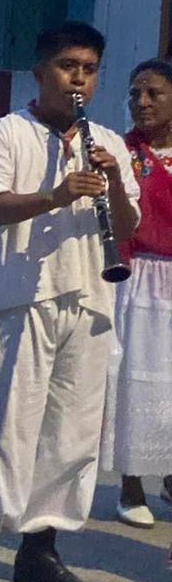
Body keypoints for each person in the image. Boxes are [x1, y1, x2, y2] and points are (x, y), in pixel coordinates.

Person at [0, 22, 139, 582]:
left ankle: (40, 549)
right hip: (22, 299)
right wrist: (56, 196)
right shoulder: (6, 133)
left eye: (89, 69)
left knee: (70, 435)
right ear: (40, 72)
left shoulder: (109, 143)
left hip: (89, 299)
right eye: (67, 66)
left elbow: (127, 226)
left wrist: (113, 182)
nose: (78, 79)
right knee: (3, 427)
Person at [103, 59, 172, 525]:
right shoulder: (121, 153)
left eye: (153, 93)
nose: (141, 103)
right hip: (141, 278)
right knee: (137, 380)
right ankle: (131, 484)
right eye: (134, 94)